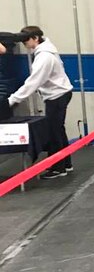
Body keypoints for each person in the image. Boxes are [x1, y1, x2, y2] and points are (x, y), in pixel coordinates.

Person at [6, 26, 74, 179]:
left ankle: (58, 168)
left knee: (54, 132)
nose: (25, 44)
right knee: (58, 130)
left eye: (26, 40)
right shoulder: (48, 51)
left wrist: (12, 100)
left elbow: (33, 82)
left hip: (56, 96)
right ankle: (66, 164)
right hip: (59, 94)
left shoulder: (44, 57)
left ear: (36, 38)